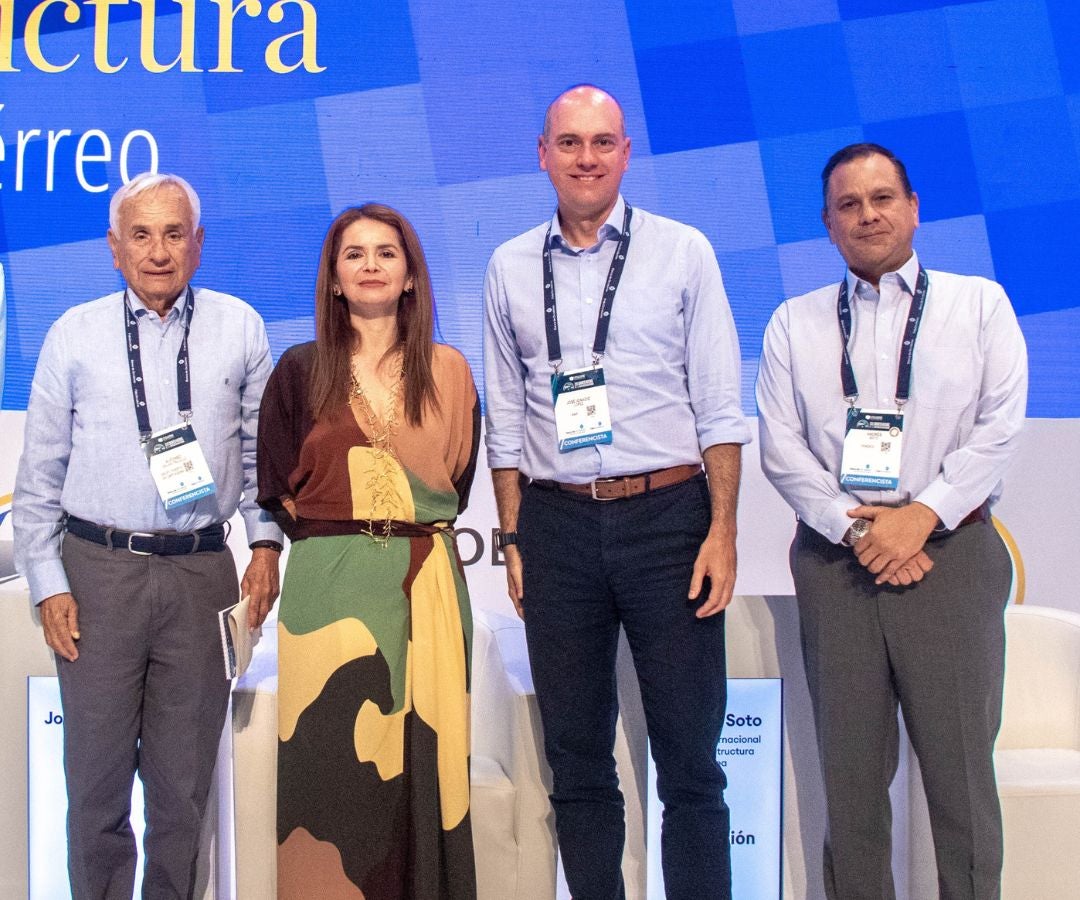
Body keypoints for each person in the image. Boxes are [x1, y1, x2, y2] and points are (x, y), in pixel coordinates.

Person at [483, 84, 750, 900]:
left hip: (670, 520)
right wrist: (514, 538)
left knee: (691, 762)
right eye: (569, 143)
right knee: (576, 760)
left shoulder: (683, 252)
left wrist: (723, 530)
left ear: (627, 153)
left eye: (602, 142)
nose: (586, 158)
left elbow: (719, 405)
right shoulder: (509, 265)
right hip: (556, 524)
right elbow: (505, 420)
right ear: (543, 155)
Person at [756, 143, 1027, 899]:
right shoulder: (793, 323)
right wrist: (861, 531)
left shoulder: (980, 305)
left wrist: (922, 516)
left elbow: (1000, 428)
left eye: (882, 199)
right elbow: (781, 449)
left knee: (962, 781)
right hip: (838, 564)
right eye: (849, 204)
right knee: (849, 785)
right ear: (828, 223)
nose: (867, 215)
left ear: (913, 208)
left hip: (952, 557)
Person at [13, 171, 283, 899]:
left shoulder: (240, 327)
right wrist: (49, 585)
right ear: (114, 247)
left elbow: (263, 458)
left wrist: (265, 545)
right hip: (96, 574)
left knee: (182, 792)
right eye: (141, 235)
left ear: (199, 243)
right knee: (95, 789)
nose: (158, 251)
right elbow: (38, 480)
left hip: (200, 576)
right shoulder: (73, 334)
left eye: (173, 234)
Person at [257, 204, 480, 899]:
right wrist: (349, 536)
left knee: (427, 774)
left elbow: (458, 476)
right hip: (328, 594)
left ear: (411, 275)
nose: (371, 265)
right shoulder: (299, 369)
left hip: (426, 587)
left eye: (387, 252)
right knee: (331, 779)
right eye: (354, 254)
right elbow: (275, 482)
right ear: (333, 278)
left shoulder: (449, 369)